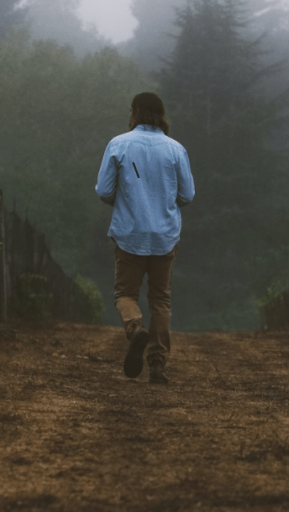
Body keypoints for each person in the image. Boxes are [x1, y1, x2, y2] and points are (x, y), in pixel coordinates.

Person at [95, 92, 195, 384]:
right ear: (162, 114)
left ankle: (135, 329)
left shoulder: (119, 145)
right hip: (164, 235)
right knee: (160, 300)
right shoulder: (176, 149)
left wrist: (127, 196)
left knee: (126, 294)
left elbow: (103, 190)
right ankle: (158, 365)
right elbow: (187, 195)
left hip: (130, 233)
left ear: (136, 112)